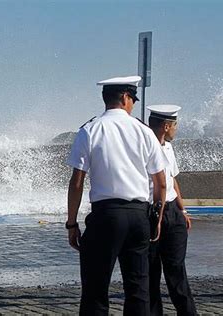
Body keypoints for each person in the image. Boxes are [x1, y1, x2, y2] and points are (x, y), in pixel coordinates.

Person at [66, 75, 167, 315]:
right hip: (138, 215)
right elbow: (161, 183)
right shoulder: (144, 131)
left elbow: (77, 182)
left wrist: (71, 223)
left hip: (106, 216)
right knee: (138, 288)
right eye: (132, 98)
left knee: (95, 289)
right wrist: (157, 217)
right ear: (124, 97)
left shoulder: (90, 130)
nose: (132, 103)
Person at [147, 104, 197, 316]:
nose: (177, 129)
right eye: (175, 125)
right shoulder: (144, 146)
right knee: (150, 272)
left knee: (176, 270)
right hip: (150, 211)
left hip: (172, 213)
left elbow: (172, 179)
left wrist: (182, 210)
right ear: (166, 126)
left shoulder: (168, 146)